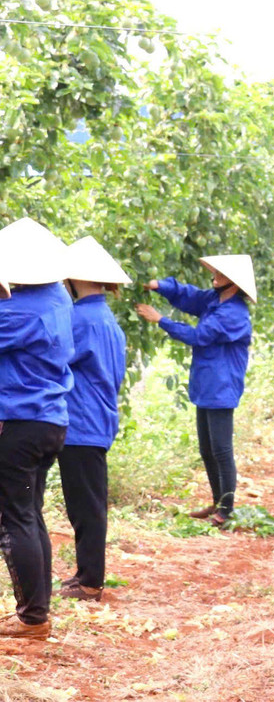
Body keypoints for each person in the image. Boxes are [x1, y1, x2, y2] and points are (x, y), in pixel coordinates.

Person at [134, 255, 255, 526]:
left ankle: (227, 509)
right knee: (207, 448)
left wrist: (160, 320)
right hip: (207, 384)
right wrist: (159, 285)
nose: (214, 275)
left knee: (221, 449)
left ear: (233, 283)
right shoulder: (214, 301)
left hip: (222, 386)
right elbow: (189, 296)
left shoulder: (233, 313)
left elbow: (198, 337)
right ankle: (217, 501)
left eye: (221, 273)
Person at [0, 217, 74, 639]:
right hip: (48, 421)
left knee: (14, 519)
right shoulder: (57, 297)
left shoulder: (20, 310)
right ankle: (38, 611)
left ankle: (32, 619)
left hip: (19, 423)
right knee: (29, 515)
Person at [57, 236, 132, 601]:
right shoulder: (105, 319)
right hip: (97, 418)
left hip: (81, 421)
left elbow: (54, 358)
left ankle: (90, 582)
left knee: (84, 505)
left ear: (73, 279)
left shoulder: (80, 319)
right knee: (88, 502)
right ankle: (86, 574)